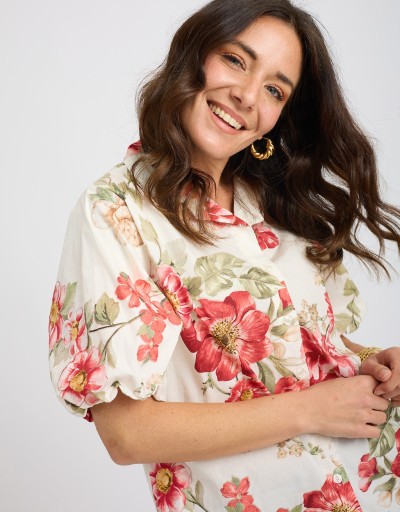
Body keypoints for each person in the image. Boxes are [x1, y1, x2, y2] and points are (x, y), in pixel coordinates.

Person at [48, 0, 400, 510]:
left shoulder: (275, 203)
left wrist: (374, 363)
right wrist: (310, 410)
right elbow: (126, 433)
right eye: (236, 60)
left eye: (275, 90)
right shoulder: (116, 211)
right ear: (194, 55)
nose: (247, 96)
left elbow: (306, 348)